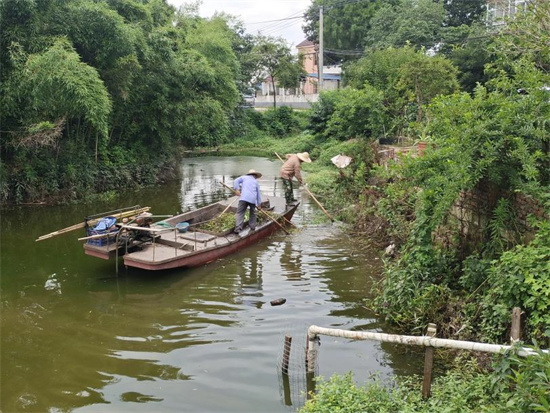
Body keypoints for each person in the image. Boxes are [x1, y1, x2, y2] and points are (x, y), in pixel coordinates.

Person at [233, 169, 262, 233]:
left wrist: (236, 189)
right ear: (255, 176)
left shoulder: (244, 177)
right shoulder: (256, 182)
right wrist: (259, 204)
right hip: (252, 200)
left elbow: (236, 181)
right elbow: (258, 195)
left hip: (243, 198)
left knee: (240, 213)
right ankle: (252, 226)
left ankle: (238, 228)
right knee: (253, 213)